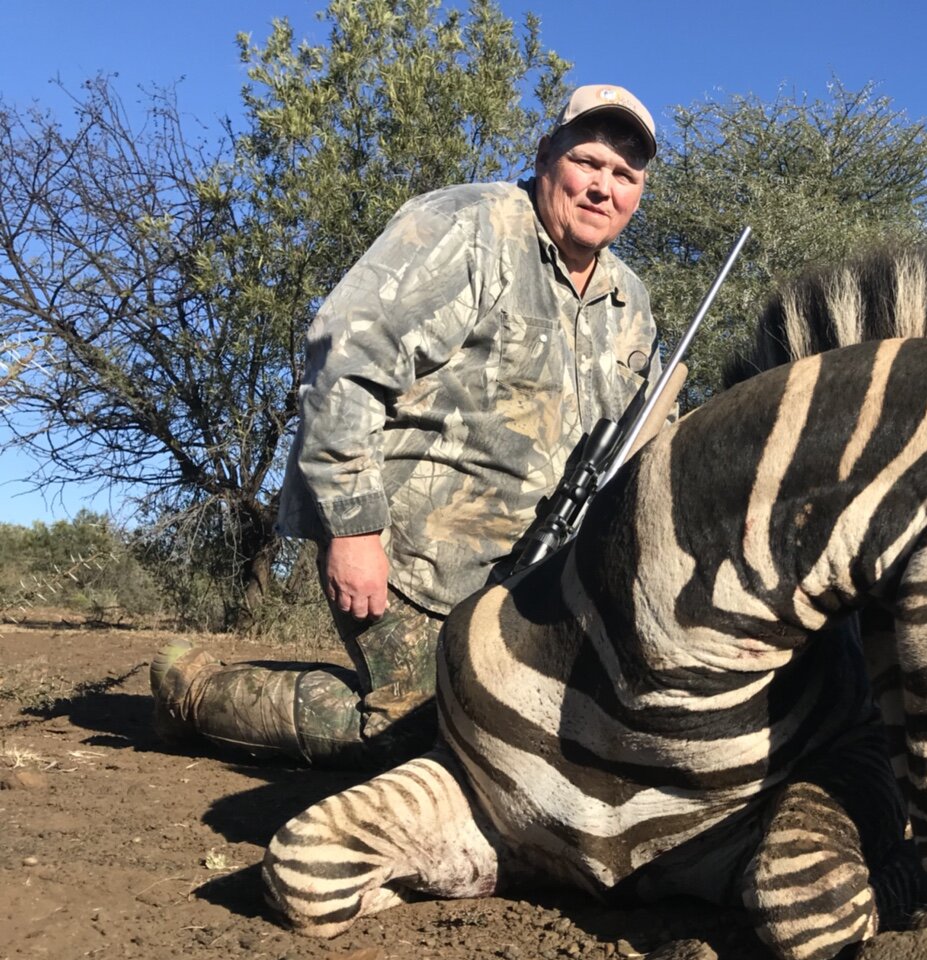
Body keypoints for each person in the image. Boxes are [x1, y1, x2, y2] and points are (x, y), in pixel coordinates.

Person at [152, 84, 673, 768]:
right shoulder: (466, 226)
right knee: (427, 739)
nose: (604, 187)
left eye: (625, 176)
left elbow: (650, 449)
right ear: (546, 155)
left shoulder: (628, 300)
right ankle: (195, 692)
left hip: (539, 587)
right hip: (412, 560)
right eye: (590, 162)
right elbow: (347, 358)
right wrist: (353, 529)